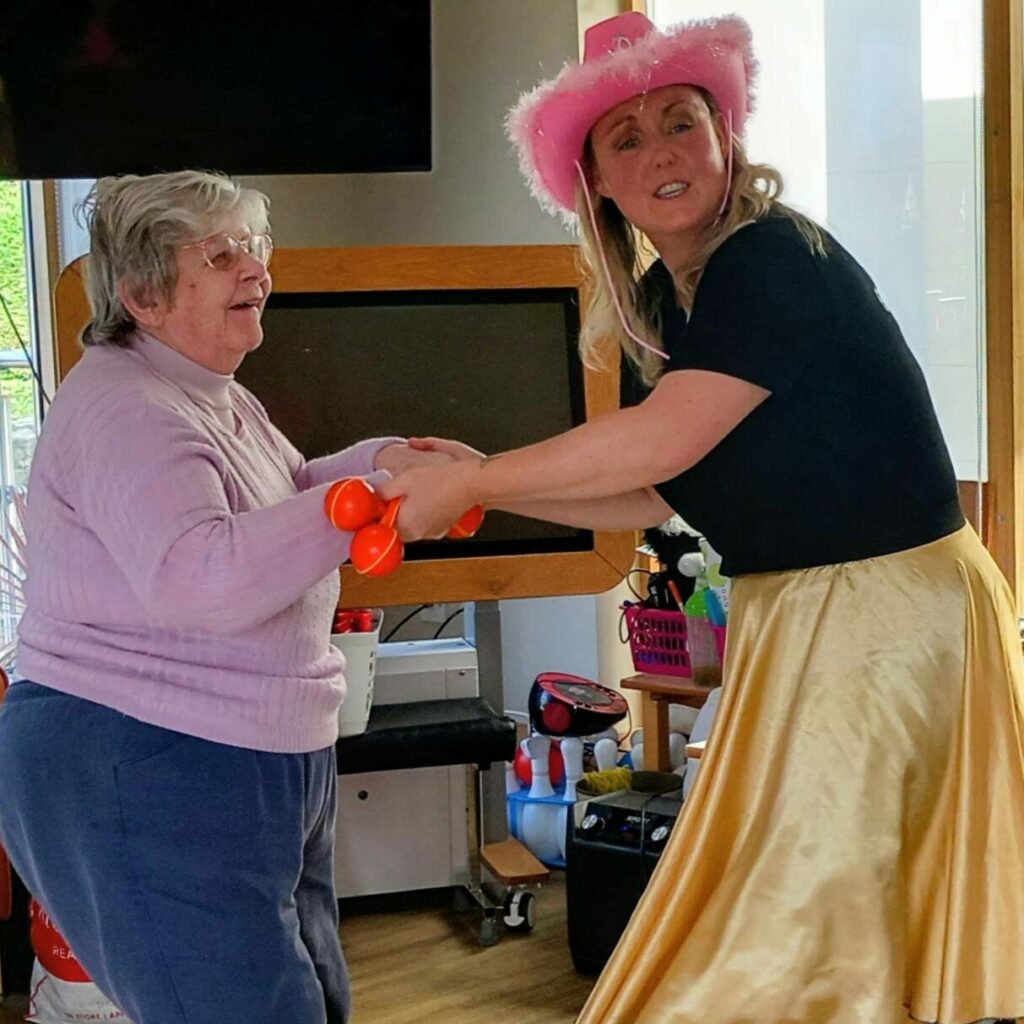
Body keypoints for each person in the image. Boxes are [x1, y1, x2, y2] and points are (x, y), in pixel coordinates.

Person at [380, 13, 1024, 1024]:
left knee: (807, 921)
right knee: (810, 917)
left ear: (726, 134)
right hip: (818, 613)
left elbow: (662, 441)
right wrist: (486, 483)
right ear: (597, 179)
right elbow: (658, 488)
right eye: (627, 138)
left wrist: (474, 483)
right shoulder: (671, 296)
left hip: (884, 618)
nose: (662, 152)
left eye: (681, 121)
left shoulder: (769, 258)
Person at [0, 170, 445, 1024]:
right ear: (144, 296)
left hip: (245, 747)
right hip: (149, 752)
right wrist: (356, 500)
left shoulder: (206, 389)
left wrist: (386, 465)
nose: (257, 270)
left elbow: (283, 493)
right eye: (221, 254)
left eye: (257, 246)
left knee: (309, 1000)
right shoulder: (126, 408)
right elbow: (200, 576)